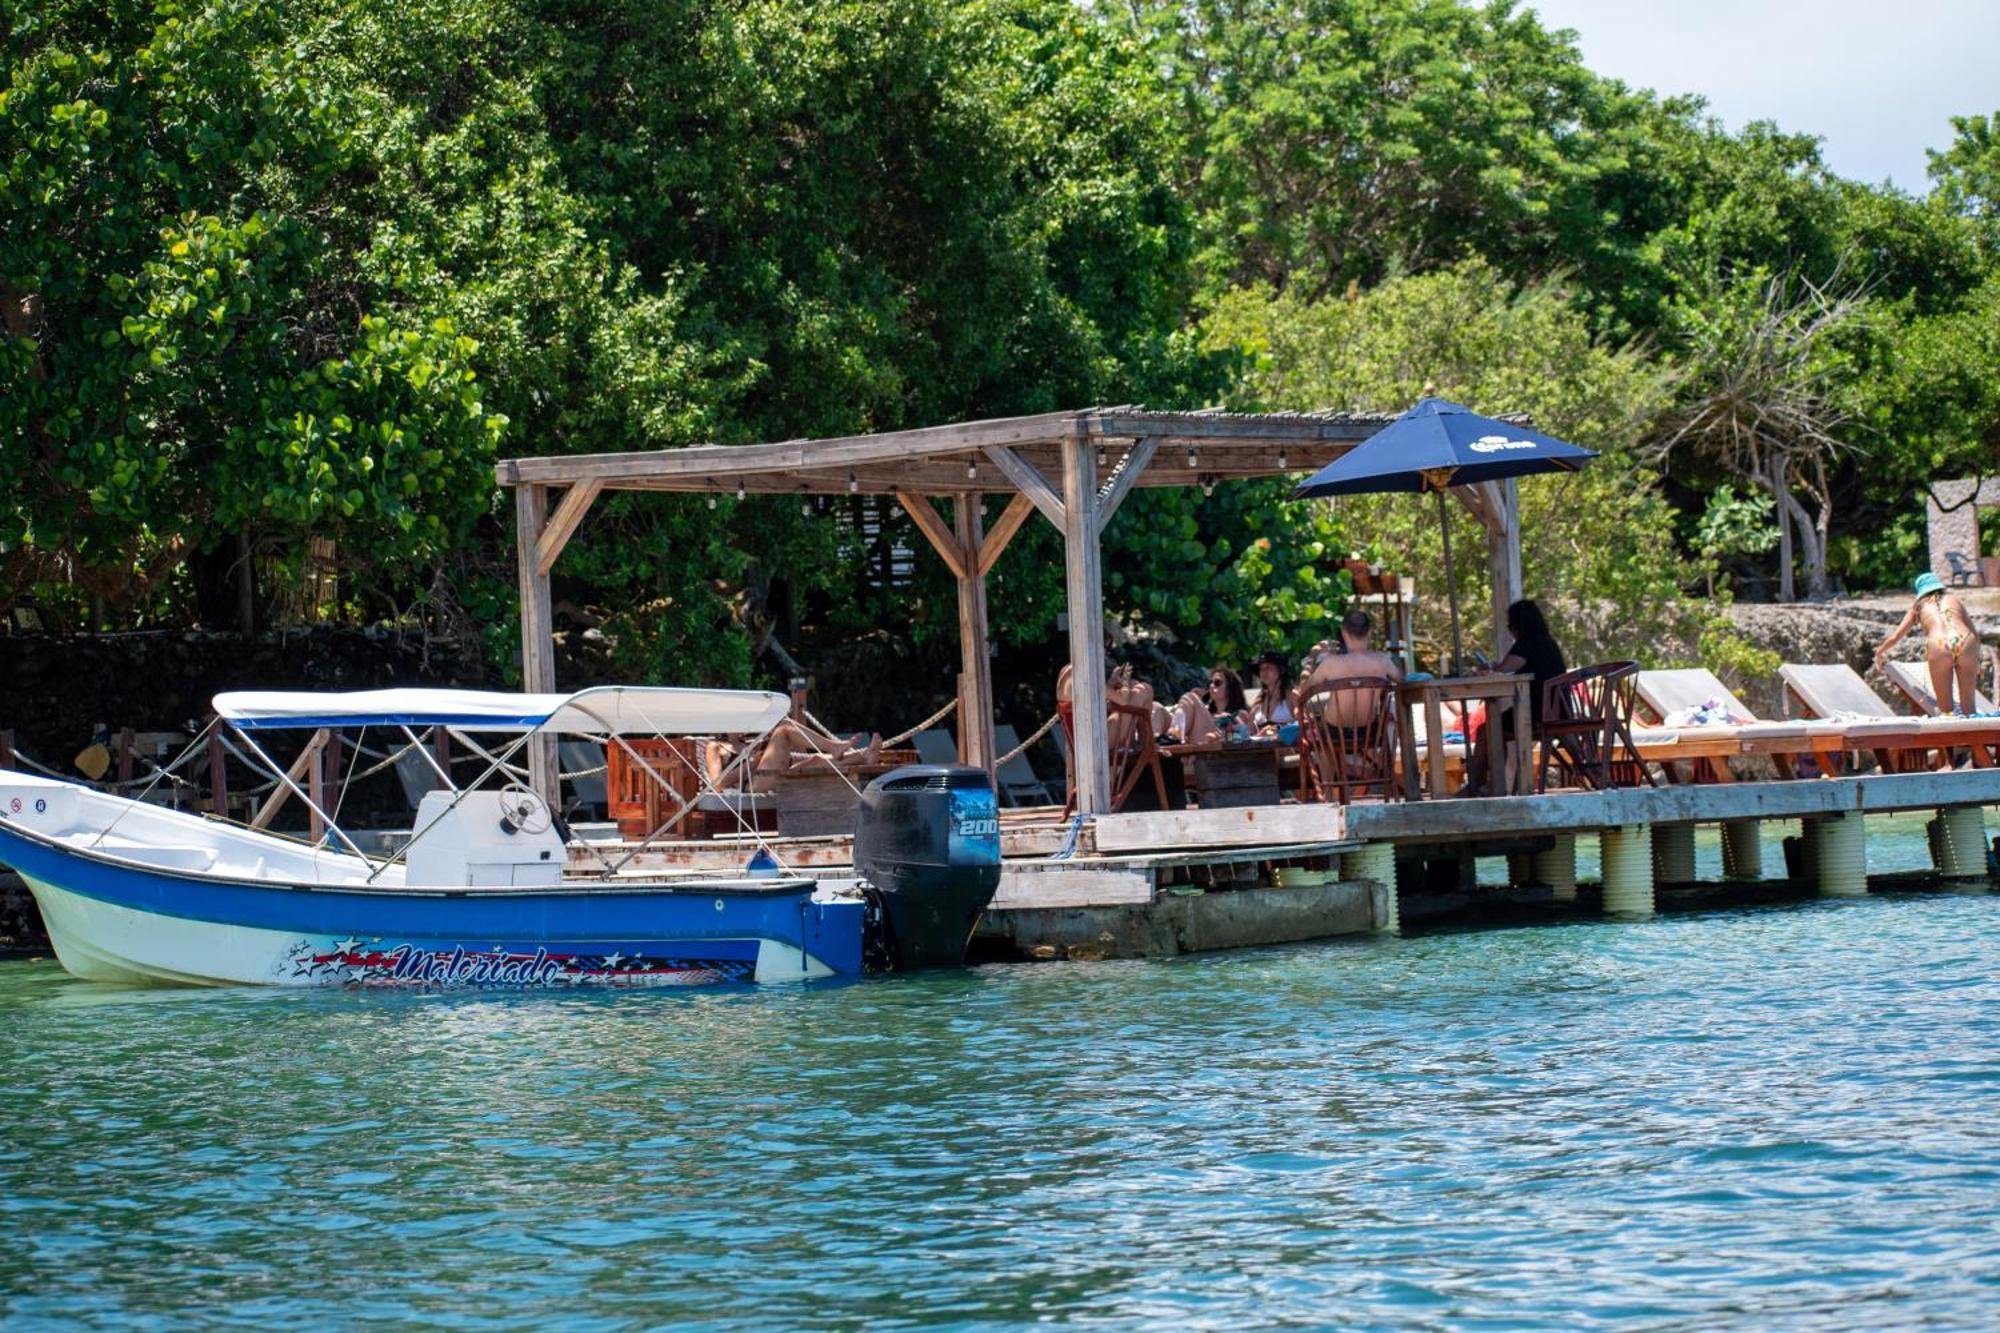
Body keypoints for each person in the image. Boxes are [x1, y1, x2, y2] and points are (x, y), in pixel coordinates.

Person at [1464, 598, 1566, 796]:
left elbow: (1504, 669)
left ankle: (1480, 785)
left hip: (1537, 713)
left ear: (1518, 625)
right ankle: (1491, 785)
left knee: (1489, 729)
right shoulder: (1546, 641)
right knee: (1493, 727)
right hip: (1558, 709)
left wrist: (1491, 668)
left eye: (1510, 625)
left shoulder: (1527, 643)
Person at [746, 676, 882, 792]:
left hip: (774, 774)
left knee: (816, 760)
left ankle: (863, 758)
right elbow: (724, 781)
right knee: (784, 728)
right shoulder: (725, 749)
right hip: (752, 785)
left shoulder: (749, 742)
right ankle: (834, 747)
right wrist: (750, 763)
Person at [1877, 572, 1984, 716]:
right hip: (1964, 640)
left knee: (1946, 711)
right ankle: (1975, 736)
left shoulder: (1918, 606)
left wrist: (1879, 652)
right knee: (1970, 709)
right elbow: (1975, 635)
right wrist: (1978, 662)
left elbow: (1896, 636)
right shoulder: (1954, 599)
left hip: (1939, 643)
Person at [1171, 667, 1249, 744]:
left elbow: (1242, 736)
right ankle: (1173, 735)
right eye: (1210, 683)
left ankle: (1173, 736)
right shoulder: (1207, 713)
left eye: (1217, 683)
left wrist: (1229, 719)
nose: (1212, 686)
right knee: (1160, 708)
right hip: (1199, 746)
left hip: (1218, 750)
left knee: (1191, 697)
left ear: (1230, 687)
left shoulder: (1240, 713)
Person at [1248, 652, 1295, 732]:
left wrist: (1277, 728)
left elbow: (1303, 723)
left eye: (1268, 668)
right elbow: (1250, 732)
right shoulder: (1258, 702)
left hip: (1287, 744)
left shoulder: (1292, 696)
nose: (1264, 672)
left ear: (1281, 670)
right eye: (1261, 669)